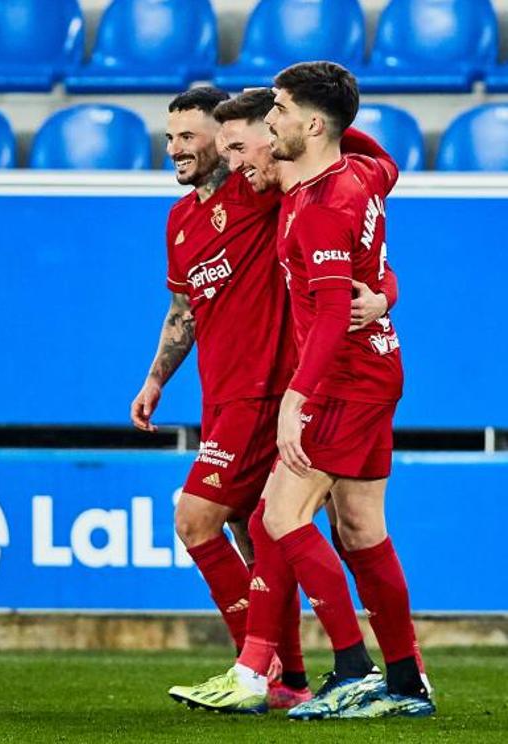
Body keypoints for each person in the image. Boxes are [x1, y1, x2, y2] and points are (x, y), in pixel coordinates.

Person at [179, 65, 434, 720]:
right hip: (377, 368)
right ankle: (407, 683)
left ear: (311, 127)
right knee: (361, 530)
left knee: (278, 518)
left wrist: (298, 398)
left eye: (278, 114)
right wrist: (383, 295)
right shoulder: (356, 178)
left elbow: (326, 315)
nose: (267, 126)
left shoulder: (320, 207)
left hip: (343, 381)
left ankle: (353, 668)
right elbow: (383, 173)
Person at [131, 87, 393, 710]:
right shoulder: (179, 221)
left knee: (197, 518)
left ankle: (259, 668)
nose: (181, 150)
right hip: (219, 396)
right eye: (173, 138)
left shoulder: (264, 189)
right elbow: (183, 310)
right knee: (263, 535)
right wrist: (156, 378)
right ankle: (290, 681)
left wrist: (384, 290)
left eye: (194, 137)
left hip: (270, 392)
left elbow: (370, 191)